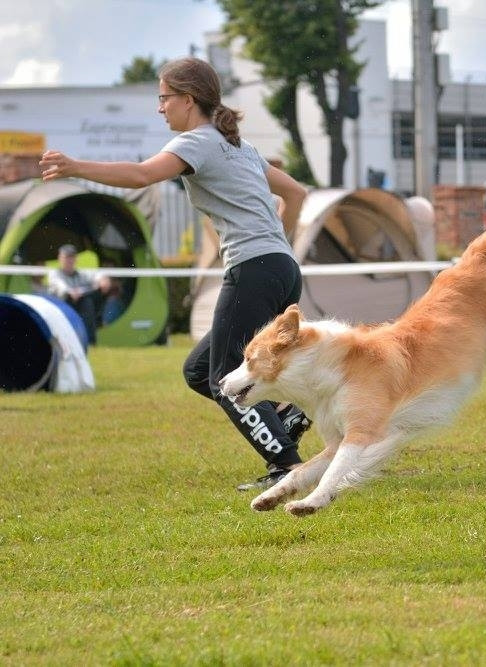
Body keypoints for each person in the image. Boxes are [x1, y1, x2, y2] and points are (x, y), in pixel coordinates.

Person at [39, 57, 311, 491]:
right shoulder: (239, 146)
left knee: (223, 376)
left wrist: (77, 167)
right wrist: (277, 242)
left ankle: (287, 467)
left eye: (164, 98)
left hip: (254, 269)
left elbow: (143, 175)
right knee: (199, 369)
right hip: (280, 268)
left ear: (187, 99)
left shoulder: (198, 142)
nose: (159, 108)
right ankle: (282, 416)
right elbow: (297, 193)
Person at [46, 244, 115, 345]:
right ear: (60, 259)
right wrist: (70, 292)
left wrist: (103, 280)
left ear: (76, 260)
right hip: (60, 307)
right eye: (66, 257)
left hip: (80, 304)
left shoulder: (81, 274)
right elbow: (60, 286)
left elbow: (96, 275)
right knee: (73, 301)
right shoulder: (54, 273)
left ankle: (90, 341)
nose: (69, 261)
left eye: (72, 257)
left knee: (87, 302)